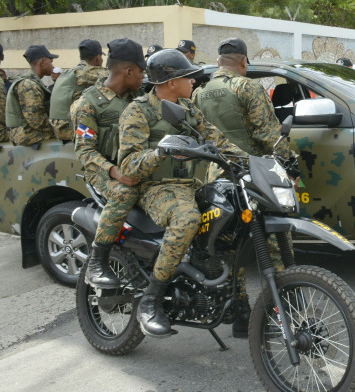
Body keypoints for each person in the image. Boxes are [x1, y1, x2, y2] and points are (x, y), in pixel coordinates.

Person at [118, 48, 246, 337]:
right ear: (172, 82)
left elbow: (217, 139)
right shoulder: (137, 111)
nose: (194, 82)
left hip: (190, 185)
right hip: (156, 188)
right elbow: (128, 165)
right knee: (187, 219)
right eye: (189, 77)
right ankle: (151, 300)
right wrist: (160, 153)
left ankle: (237, 304)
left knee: (233, 221)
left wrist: (253, 162)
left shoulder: (187, 108)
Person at [192, 37, 298, 338]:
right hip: (251, 177)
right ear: (243, 62)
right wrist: (290, 167)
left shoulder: (199, 93)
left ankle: (239, 316)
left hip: (215, 179)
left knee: (229, 249)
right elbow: (269, 135)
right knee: (275, 244)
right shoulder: (247, 87)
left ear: (219, 62)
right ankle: (282, 314)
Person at [73, 39, 146, 289]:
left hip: (135, 165)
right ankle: (98, 260)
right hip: (104, 171)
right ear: (129, 71)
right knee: (125, 193)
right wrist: (115, 172)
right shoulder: (88, 104)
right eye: (141, 71)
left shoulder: (138, 98)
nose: (144, 76)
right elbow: (84, 150)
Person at [49, 39, 109, 142]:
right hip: (69, 128)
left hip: (60, 126)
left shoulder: (70, 72)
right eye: (101, 58)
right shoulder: (84, 73)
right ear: (97, 57)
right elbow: (116, 76)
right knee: (110, 134)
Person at [6, 45, 58, 146]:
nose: (53, 66)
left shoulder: (33, 82)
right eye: (50, 61)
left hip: (28, 131)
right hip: (26, 134)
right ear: (42, 62)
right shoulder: (29, 85)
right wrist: (58, 127)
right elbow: (36, 121)